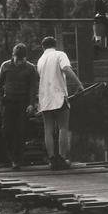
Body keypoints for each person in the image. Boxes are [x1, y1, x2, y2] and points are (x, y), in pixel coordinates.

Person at [37, 36, 85, 170]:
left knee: (48, 129)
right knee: (63, 127)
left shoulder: (40, 60)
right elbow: (66, 69)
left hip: (45, 98)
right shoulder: (60, 54)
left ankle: (52, 159)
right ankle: (62, 159)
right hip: (58, 95)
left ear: (43, 47)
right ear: (55, 45)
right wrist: (79, 84)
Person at [0, 43, 38, 170]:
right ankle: (11, 156)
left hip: (23, 103)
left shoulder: (30, 68)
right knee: (6, 130)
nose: (19, 62)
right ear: (13, 56)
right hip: (8, 101)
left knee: (21, 131)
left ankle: (17, 160)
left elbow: (33, 87)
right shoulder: (5, 66)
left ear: (25, 58)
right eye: (17, 59)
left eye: (22, 59)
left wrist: (31, 103)